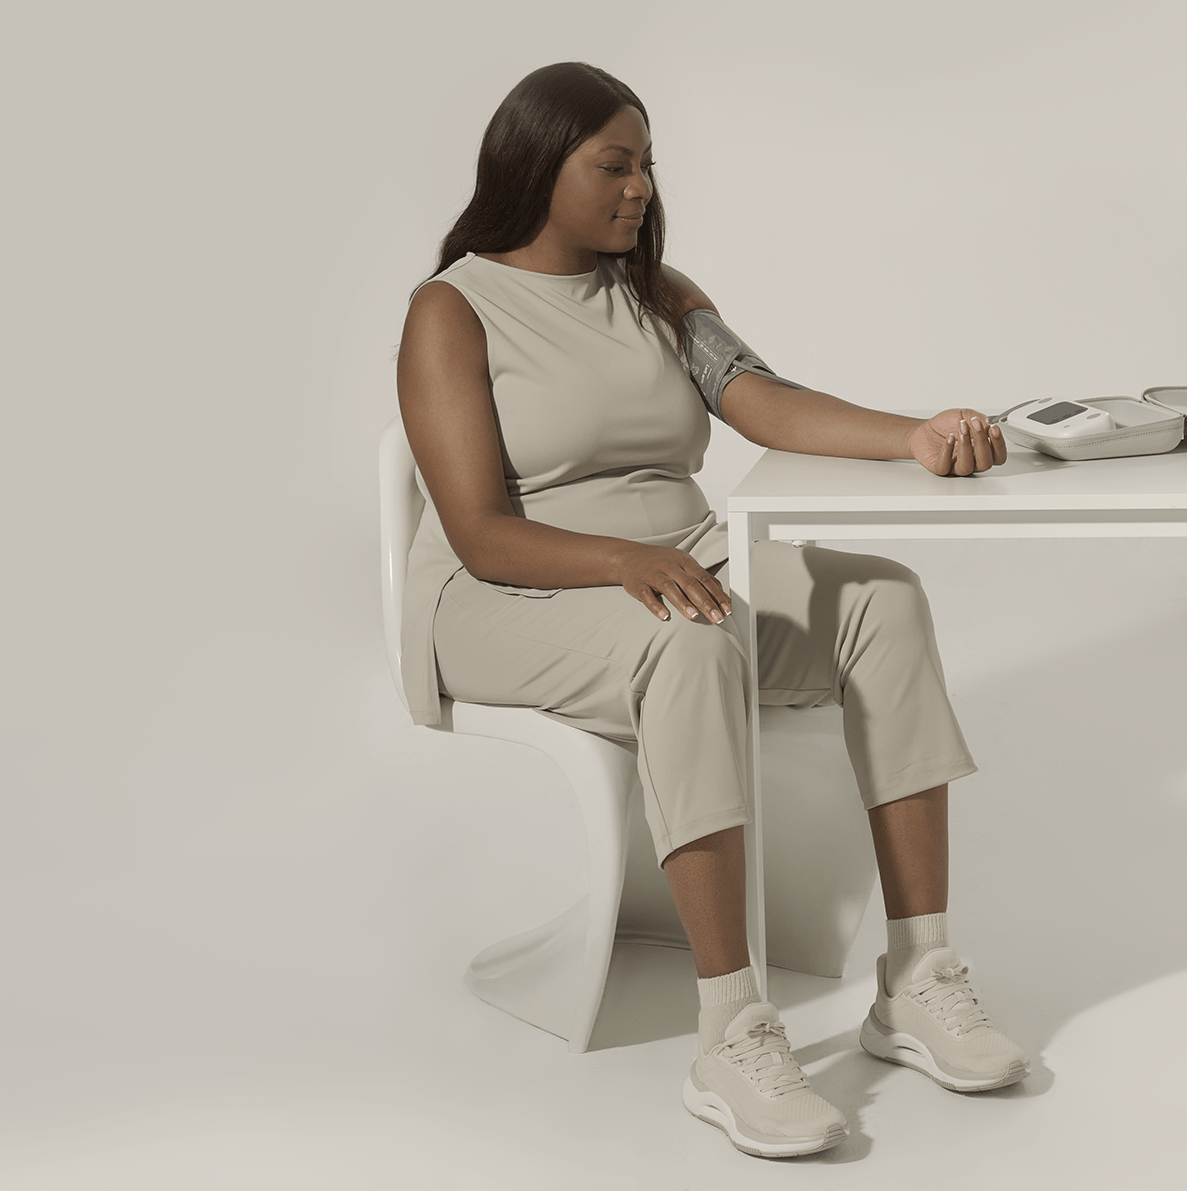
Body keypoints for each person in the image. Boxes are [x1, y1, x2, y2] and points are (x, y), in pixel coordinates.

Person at [396, 61, 1024, 1159]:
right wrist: (619, 559)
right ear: (536, 166)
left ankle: (917, 976)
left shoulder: (658, 291)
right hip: (509, 590)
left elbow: (762, 401)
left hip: (674, 563)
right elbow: (480, 530)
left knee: (880, 599)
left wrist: (914, 435)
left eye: (646, 164)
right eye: (614, 165)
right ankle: (732, 1031)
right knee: (685, 647)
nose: (640, 187)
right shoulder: (452, 310)